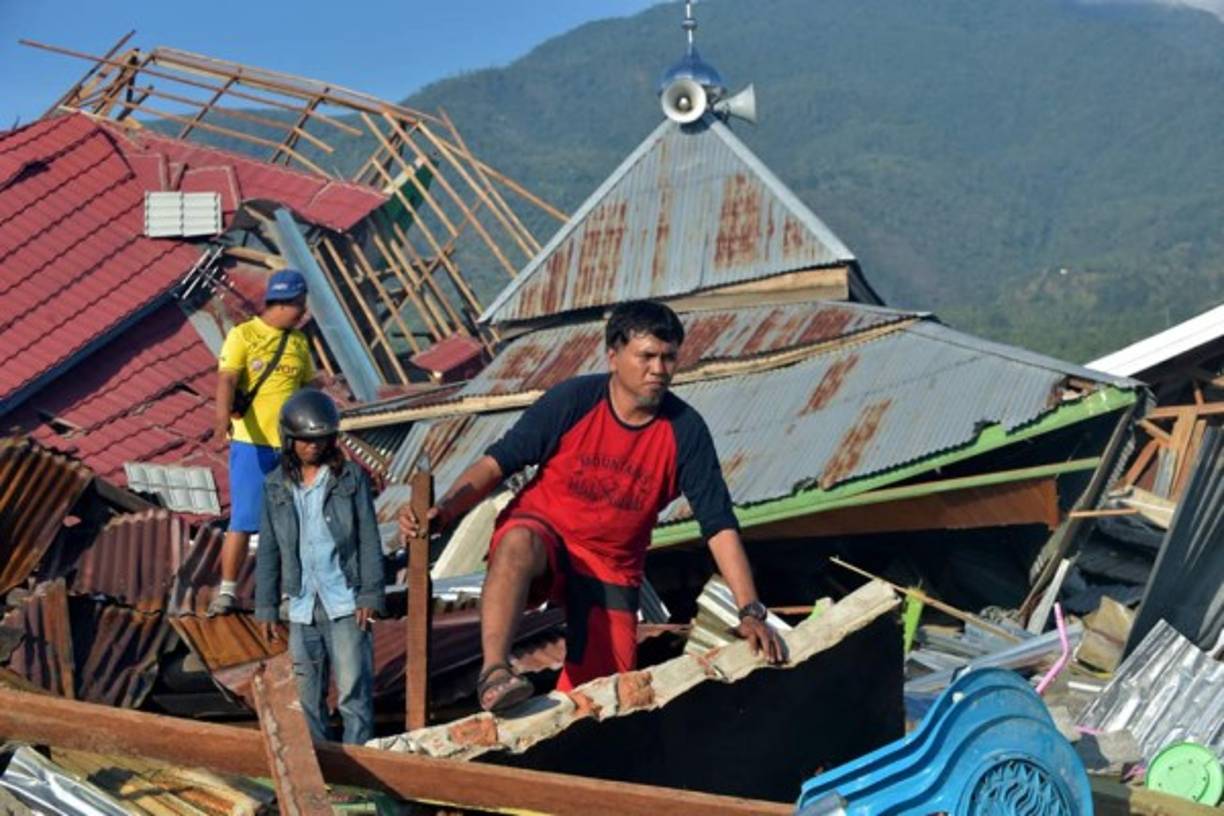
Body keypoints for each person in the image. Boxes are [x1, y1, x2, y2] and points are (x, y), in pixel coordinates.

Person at [400, 300, 785, 713]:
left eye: (669, 357)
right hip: (545, 537)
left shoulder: (685, 430)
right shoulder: (573, 401)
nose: (659, 369)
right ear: (613, 356)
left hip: (610, 566)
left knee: (606, 699)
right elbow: (497, 463)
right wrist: (446, 510)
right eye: (647, 356)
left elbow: (719, 525)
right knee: (517, 541)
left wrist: (750, 610)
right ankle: (495, 672)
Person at [254, 389, 385, 744]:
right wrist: (266, 607)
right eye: (305, 440)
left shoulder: (350, 479)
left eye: (320, 439)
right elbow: (268, 549)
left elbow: (369, 538)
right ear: (289, 440)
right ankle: (320, 766)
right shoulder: (275, 486)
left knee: (352, 695)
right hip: (301, 606)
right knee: (307, 700)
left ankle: (359, 766)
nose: (313, 446)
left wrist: (370, 595)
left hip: (345, 602)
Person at [209, 269, 316, 615]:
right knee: (243, 519)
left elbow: (309, 387)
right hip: (251, 444)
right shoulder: (243, 335)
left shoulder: (298, 343)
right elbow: (227, 379)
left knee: (290, 522)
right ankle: (227, 591)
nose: (303, 312)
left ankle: (288, 594)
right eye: (299, 304)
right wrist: (222, 419)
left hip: (288, 447)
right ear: (283, 303)